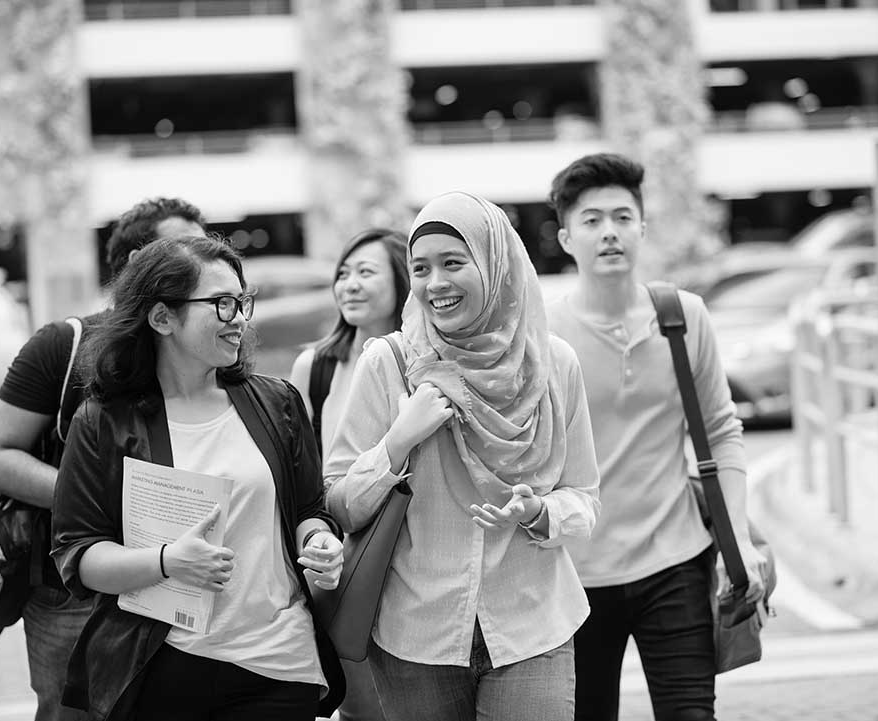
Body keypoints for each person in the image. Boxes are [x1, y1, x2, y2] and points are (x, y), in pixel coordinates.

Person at [324, 191, 600, 721]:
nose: (435, 284)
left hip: (531, 623)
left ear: (497, 265)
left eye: (454, 262)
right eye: (420, 268)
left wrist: (540, 513)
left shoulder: (553, 365)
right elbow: (340, 504)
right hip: (415, 633)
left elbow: (584, 498)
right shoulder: (390, 364)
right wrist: (398, 441)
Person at [50, 234, 345, 721]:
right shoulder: (103, 421)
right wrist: (167, 562)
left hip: (278, 658)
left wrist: (319, 543)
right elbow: (79, 554)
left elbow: (309, 510)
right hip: (162, 663)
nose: (241, 319)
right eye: (223, 304)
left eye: (243, 302)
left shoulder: (277, 403)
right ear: (162, 317)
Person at [544, 153, 768, 721]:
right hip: (577, 574)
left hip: (675, 561)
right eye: (592, 220)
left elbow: (722, 432)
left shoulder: (683, 316)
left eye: (622, 217)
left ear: (642, 227)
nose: (609, 232)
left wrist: (736, 544)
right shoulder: (546, 334)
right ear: (567, 238)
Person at [0, 196, 206, 721]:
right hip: (69, 588)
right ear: (132, 265)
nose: (199, 262)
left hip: (179, 576)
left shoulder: (204, 349)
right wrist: (99, 504)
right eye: (182, 249)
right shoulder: (64, 345)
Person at [289, 228, 409, 721]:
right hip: (341, 558)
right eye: (344, 273)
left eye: (366, 272)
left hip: (408, 555)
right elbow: (299, 472)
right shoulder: (315, 367)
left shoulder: (417, 362)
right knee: (359, 705)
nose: (350, 285)